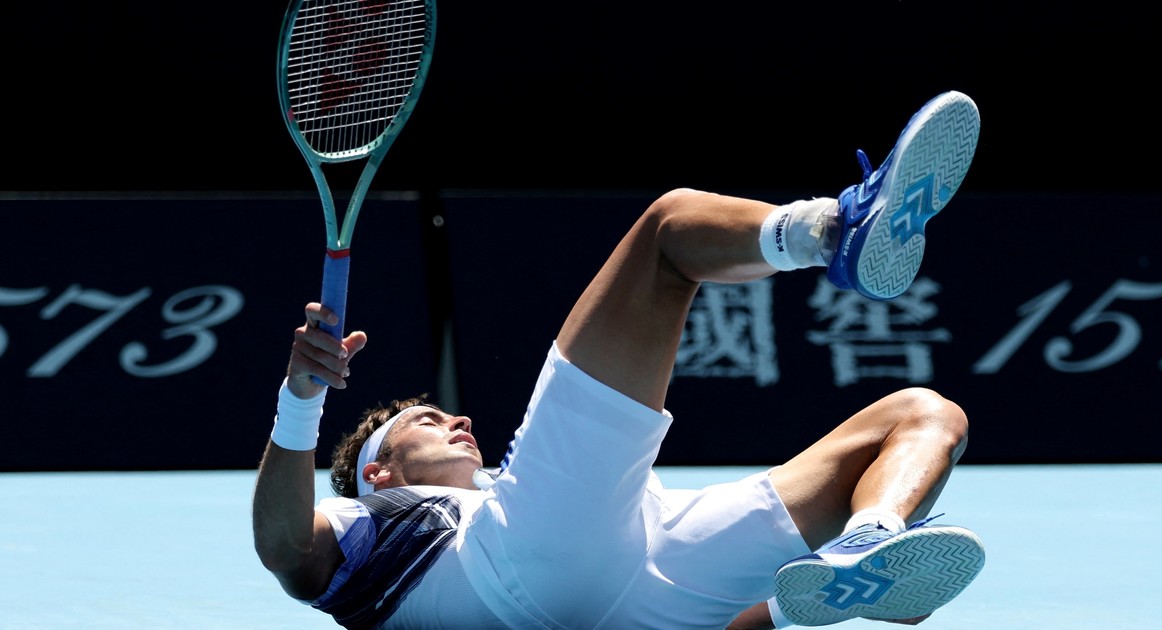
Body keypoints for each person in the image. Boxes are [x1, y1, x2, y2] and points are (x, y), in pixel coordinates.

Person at [252, 90, 985, 630]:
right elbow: (286, 548)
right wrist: (301, 398)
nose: (460, 420)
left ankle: (868, 540)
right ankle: (838, 230)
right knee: (667, 234)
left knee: (924, 415)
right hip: (513, 562)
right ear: (378, 473)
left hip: (648, 586)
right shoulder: (369, 519)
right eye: (426, 421)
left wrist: (790, 609)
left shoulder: (549, 502)